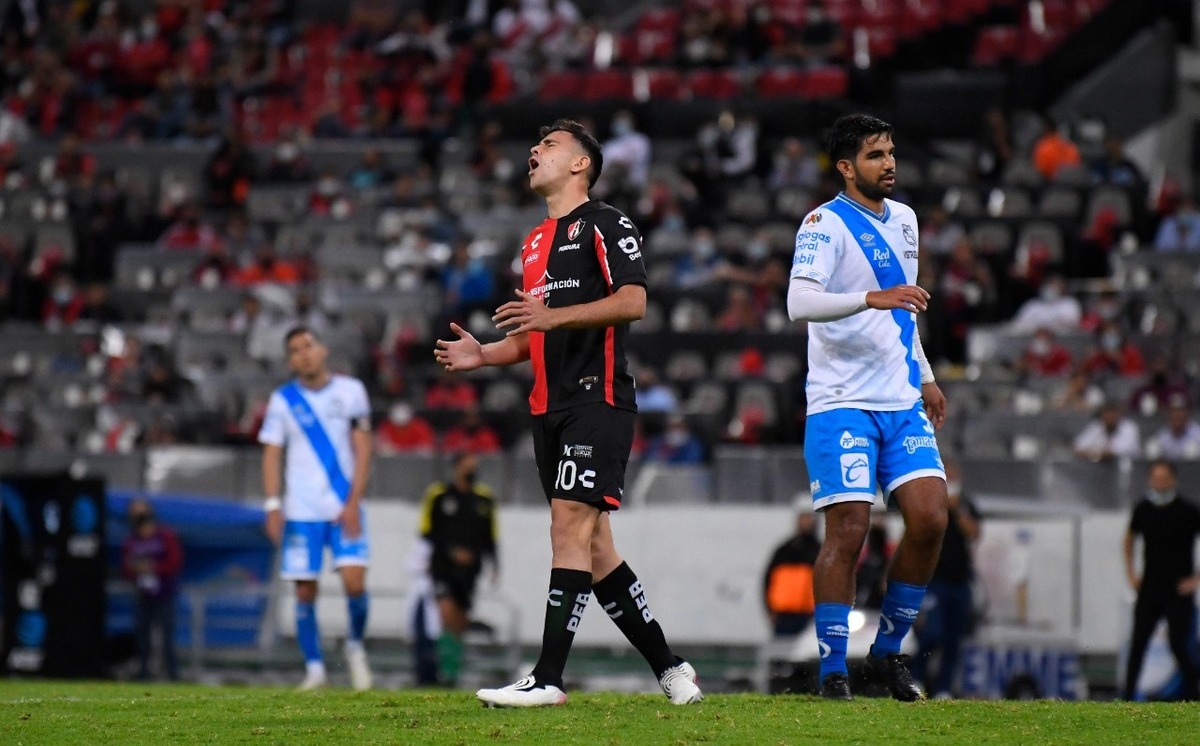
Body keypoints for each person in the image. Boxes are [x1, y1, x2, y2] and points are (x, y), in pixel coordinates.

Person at [435, 118, 703, 707]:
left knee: (567, 529)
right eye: (534, 145)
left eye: (549, 145)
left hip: (597, 396)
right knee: (596, 546)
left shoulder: (608, 223)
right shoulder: (533, 243)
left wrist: (553, 317)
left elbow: (633, 300)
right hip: (546, 406)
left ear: (581, 164)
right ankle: (671, 668)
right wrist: (485, 355)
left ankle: (548, 677)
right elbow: (532, 335)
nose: (534, 150)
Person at [786, 113, 949, 702]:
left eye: (892, 153)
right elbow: (798, 302)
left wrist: (925, 376)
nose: (890, 164)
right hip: (841, 402)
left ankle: (886, 654)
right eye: (876, 155)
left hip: (901, 397)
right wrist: (870, 297)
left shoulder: (905, 220)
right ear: (846, 166)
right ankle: (833, 667)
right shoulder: (822, 224)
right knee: (850, 529)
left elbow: (903, 309)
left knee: (931, 518)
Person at [259, 326, 375, 691]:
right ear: (289, 360)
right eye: (295, 350)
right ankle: (315, 669)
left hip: (343, 507)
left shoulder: (351, 391)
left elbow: (363, 448)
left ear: (323, 349)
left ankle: (355, 646)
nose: (303, 354)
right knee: (304, 591)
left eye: (308, 345)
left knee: (355, 584)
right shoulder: (283, 401)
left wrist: (354, 501)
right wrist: (273, 504)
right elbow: (271, 453)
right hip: (301, 511)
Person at [417, 452, 500, 686]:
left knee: (461, 620)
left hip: (471, 570)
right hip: (443, 566)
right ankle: (446, 672)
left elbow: (491, 537)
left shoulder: (485, 499)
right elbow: (427, 531)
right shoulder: (438, 495)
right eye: (468, 464)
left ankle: (452, 670)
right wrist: (452, 551)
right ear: (457, 467)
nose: (473, 468)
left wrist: (495, 566)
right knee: (446, 612)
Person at [1122, 460, 1200, 700]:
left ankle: (1193, 695)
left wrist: (1196, 579)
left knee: (1178, 643)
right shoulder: (1143, 509)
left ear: (1173, 480)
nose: (1160, 482)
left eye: (1164, 478)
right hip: (1150, 587)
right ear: (1149, 480)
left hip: (1178, 589)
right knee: (1138, 644)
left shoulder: (1187, 510)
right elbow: (1129, 539)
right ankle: (1126, 698)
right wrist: (1132, 574)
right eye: (1156, 478)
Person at [913, 462, 980, 699]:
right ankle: (917, 677)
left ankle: (943, 687)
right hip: (935, 580)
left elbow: (974, 533)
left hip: (959, 582)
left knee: (954, 639)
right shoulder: (931, 501)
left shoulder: (966, 504)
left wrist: (957, 510)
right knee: (932, 633)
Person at [121, 499, 183, 681]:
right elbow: (126, 568)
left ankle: (172, 675)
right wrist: (136, 569)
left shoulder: (165, 536)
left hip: (164, 595)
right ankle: (143, 674)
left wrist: (153, 567)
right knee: (143, 639)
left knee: (166, 638)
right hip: (144, 595)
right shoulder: (131, 540)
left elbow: (174, 563)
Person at [763, 510, 821, 636]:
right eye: (803, 518)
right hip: (784, 614)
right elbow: (768, 582)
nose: (806, 522)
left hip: (810, 614)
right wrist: (769, 609)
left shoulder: (819, 551)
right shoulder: (783, 551)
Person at [1073, 402, 1141, 461]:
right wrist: (1097, 454)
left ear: (1118, 415)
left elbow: (1117, 452)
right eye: (1107, 414)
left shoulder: (1129, 428)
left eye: (1113, 413)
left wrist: (1092, 453)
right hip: (1100, 469)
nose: (1110, 417)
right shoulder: (1096, 426)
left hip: (1127, 467)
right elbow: (1078, 448)